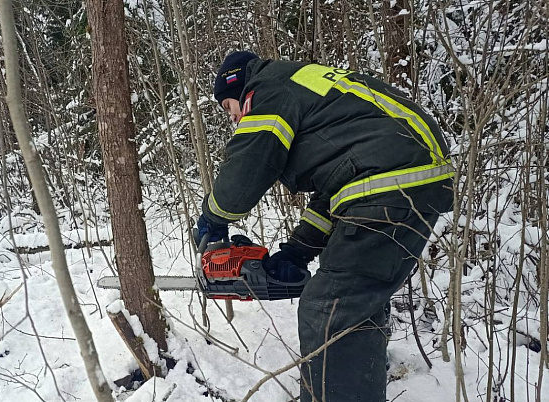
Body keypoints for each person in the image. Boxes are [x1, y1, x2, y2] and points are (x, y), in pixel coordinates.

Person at [194, 51, 454, 402]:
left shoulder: (267, 88)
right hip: (404, 178)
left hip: (393, 180)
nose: (234, 118)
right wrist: (297, 252)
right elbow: (336, 189)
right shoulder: (312, 91)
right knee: (356, 302)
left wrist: (214, 216)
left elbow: (250, 163)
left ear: (238, 88)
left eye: (229, 108)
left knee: (328, 307)